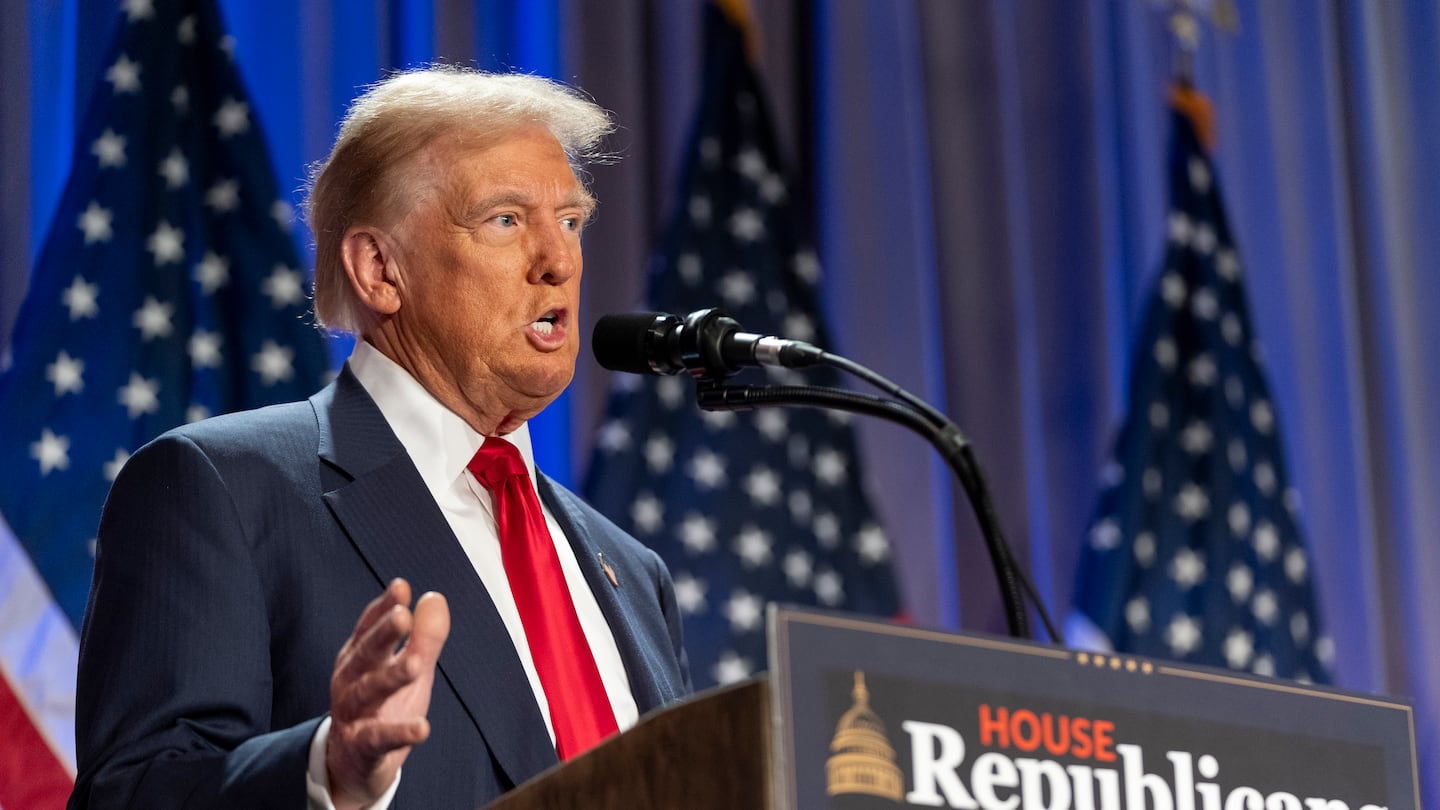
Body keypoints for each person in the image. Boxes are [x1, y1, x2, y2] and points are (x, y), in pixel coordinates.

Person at [68, 67, 691, 809]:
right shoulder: (220, 488)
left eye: (570, 220)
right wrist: (326, 768)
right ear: (379, 268)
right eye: (506, 219)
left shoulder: (630, 567)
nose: (559, 261)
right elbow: (133, 793)